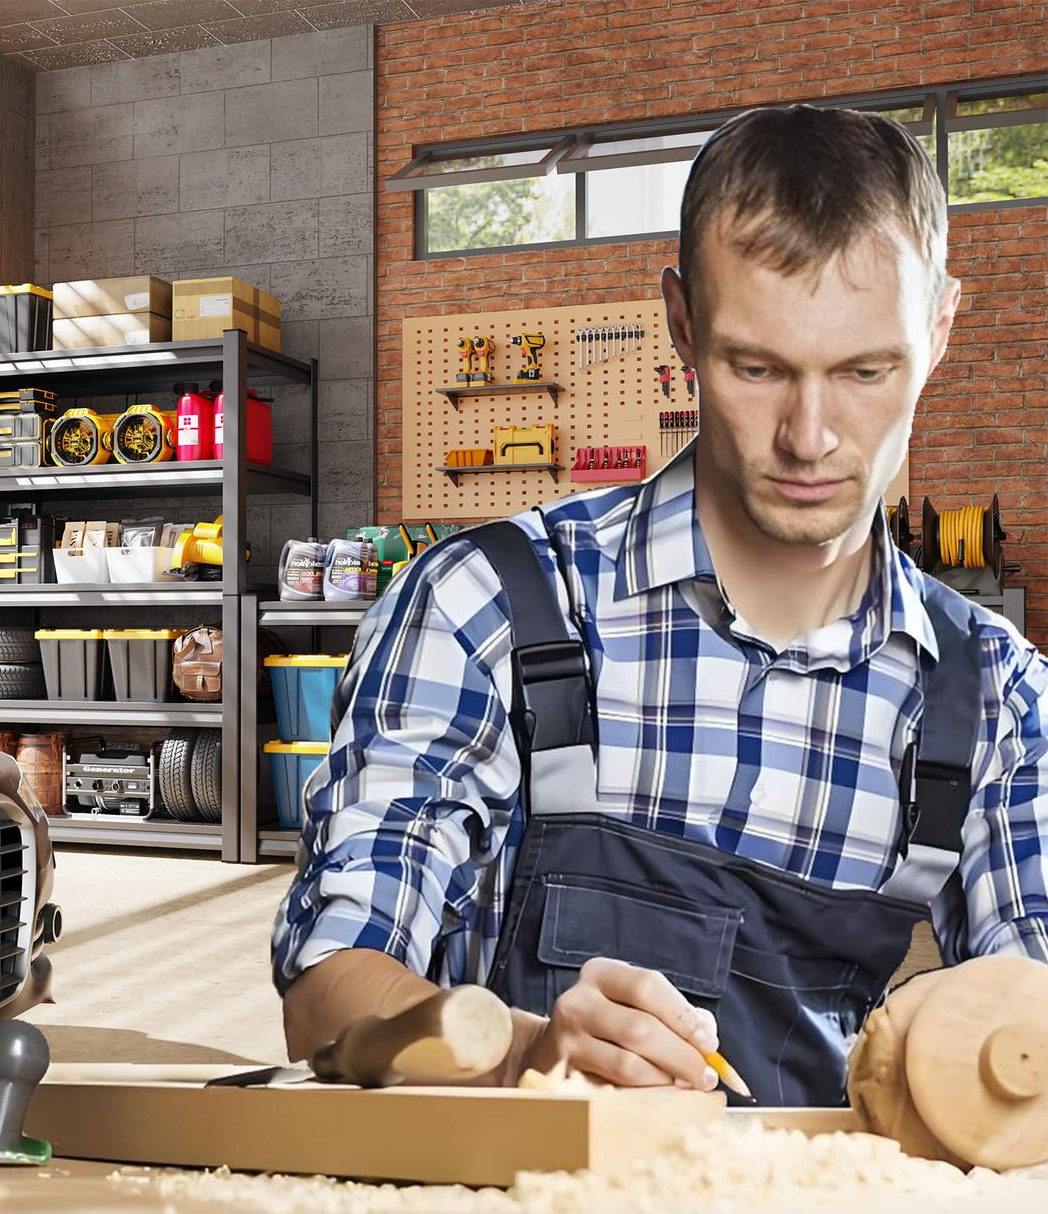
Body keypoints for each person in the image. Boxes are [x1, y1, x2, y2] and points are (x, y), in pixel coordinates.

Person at [271, 104, 1048, 1105]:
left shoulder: (993, 698)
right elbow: (331, 995)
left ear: (937, 328)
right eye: (755, 366)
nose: (808, 436)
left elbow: (1029, 1018)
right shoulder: (489, 606)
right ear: (681, 322)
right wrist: (520, 1055)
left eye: (864, 370)